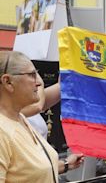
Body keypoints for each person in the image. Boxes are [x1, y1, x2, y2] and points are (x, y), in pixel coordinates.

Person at [0, 51, 83, 182]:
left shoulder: (20, 119)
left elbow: (29, 172)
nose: (39, 83)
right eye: (32, 75)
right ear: (8, 82)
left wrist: (66, 164)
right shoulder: (3, 131)